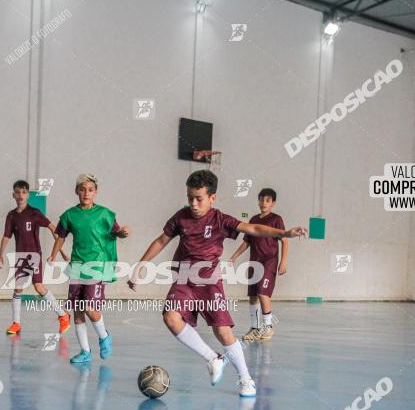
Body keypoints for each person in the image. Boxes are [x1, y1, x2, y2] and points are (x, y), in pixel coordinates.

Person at [128, 170, 305, 397]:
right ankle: (213, 358)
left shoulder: (220, 219)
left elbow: (253, 229)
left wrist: (285, 233)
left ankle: (246, 379)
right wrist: (141, 264)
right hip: (184, 278)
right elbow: (162, 239)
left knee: (222, 332)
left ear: (212, 198)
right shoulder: (181, 217)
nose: (193, 203)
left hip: (209, 281)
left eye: (199, 198)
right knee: (170, 317)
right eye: (190, 197)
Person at [47, 174, 130, 364]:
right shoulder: (69, 215)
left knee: (90, 309)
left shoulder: (105, 214)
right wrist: (53, 254)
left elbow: (116, 232)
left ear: (96, 192)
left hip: (97, 267)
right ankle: (85, 352)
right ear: (77, 191)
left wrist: (123, 233)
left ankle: (104, 336)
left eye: (90, 190)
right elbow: (60, 236)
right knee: (77, 311)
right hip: (77, 266)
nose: (86, 193)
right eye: (82, 189)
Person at [0, 179, 71, 335]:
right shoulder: (11, 216)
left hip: (34, 255)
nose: (20, 195)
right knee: (18, 289)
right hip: (20, 257)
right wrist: (0, 255)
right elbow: (6, 236)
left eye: (24, 192)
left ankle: (63, 316)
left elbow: (53, 228)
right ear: (13, 195)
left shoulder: (35, 212)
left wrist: (61, 251)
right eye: (17, 192)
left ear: (28, 195)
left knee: (39, 287)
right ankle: (16, 323)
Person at [229, 188, 304, 341]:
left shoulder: (276, 219)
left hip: (269, 261)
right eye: (261, 199)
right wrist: (234, 256)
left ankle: (268, 327)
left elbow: (284, 240)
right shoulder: (253, 219)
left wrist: (283, 261)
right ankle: (255, 329)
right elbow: (246, 242)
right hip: (254, 262)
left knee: (263, 293)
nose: (264, 203)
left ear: (273, 203)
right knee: (253, 296)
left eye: (267, 200)